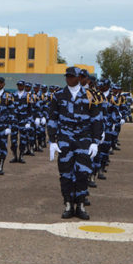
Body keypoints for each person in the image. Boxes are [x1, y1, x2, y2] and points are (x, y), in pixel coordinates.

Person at [48, 67, 102, 220]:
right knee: (65, 173)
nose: (69, 79)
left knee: (82, 173)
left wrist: (95, 142)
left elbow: (96, 119)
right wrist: (52, 140)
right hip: (65, 139)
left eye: (72, 76)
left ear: (79, 78)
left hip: (83, 139)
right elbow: (53, 118)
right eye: (67, 76)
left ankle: (80, 205)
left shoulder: (90, 96)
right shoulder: (58, 95)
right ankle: (68, 204)